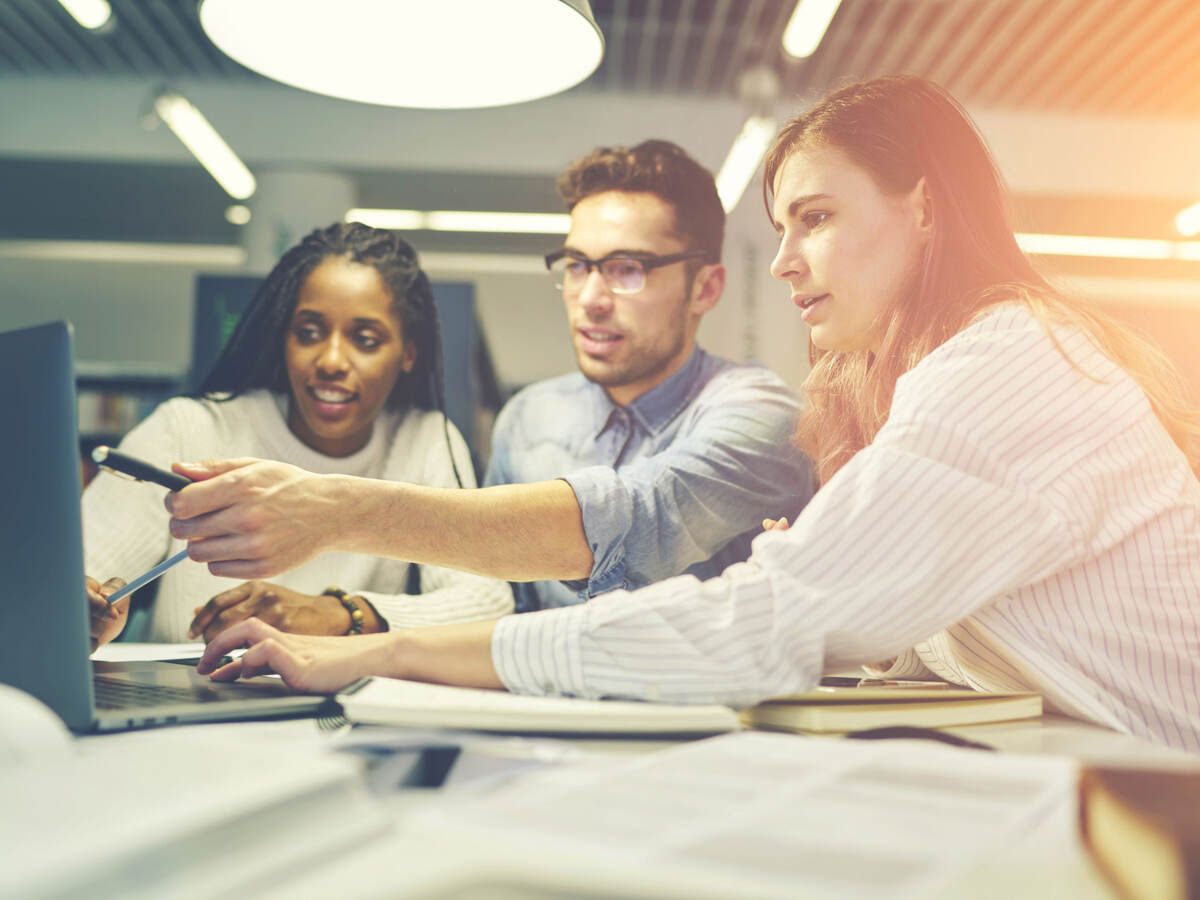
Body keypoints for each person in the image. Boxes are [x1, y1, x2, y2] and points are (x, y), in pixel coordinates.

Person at [183, 76, 1200, 750]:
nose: (790, 260)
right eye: (576, 266)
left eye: (818, 217)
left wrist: (382, 638)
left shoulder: (1006, 363)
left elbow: (760, 616)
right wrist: (371, 621)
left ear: (925, 209)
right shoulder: (961, 367)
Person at [159, 140, 814, 612]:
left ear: (706, 287)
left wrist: (334, 511)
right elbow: (500, 611)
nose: (591, 297)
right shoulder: (530, 419)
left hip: (703, 738)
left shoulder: (759, 413)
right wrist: (338, 629)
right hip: (535, 733)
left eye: (627, 268)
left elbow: (641, 517)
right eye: (578, 265)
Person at [85, 222, 512, 650]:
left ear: (408, 354)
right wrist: (87, 611)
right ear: (283, 340)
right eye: (308, 332)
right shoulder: (189, 429)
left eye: (365, 339)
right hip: (186, 701)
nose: (330, 360)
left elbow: (487, 601)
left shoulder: (423, 439)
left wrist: (336, 614)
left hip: (342, 708)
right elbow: (75, 576)